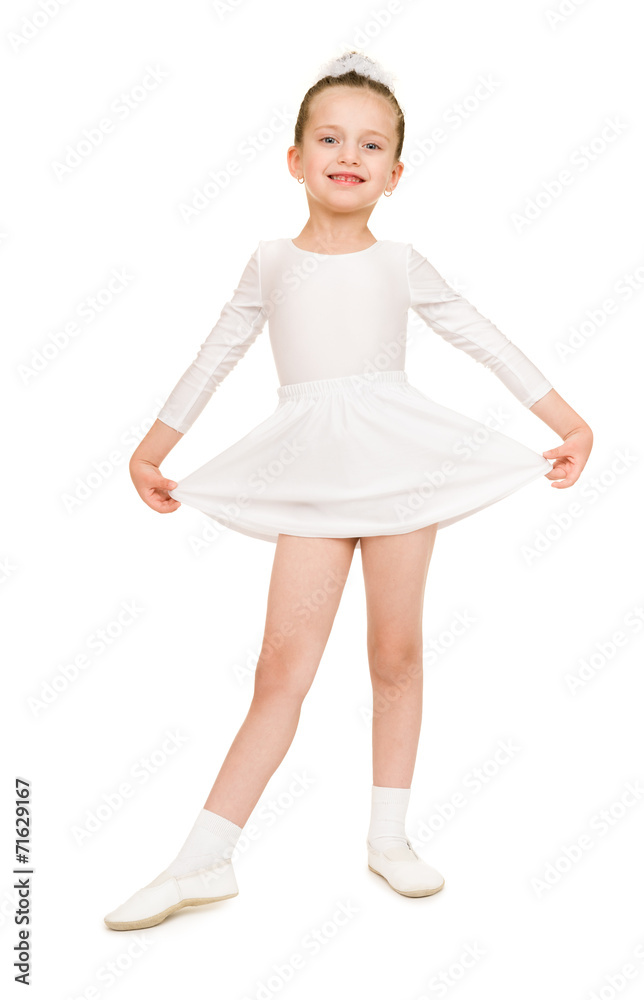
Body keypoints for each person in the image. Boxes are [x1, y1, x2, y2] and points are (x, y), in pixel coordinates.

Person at [104, 49, 593, 930]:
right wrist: (153, 448)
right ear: (295, 158)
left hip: (402, 469)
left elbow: (481, 335)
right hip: (309, 478)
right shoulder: (269, 263)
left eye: (372, 144)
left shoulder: (400, 262)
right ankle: (203, 859)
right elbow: (215, 355)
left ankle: (388, 838)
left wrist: (569, 422)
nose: (349, 155)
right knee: (280, 668)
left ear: (395, 173)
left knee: (394, 654)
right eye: (330, 138)